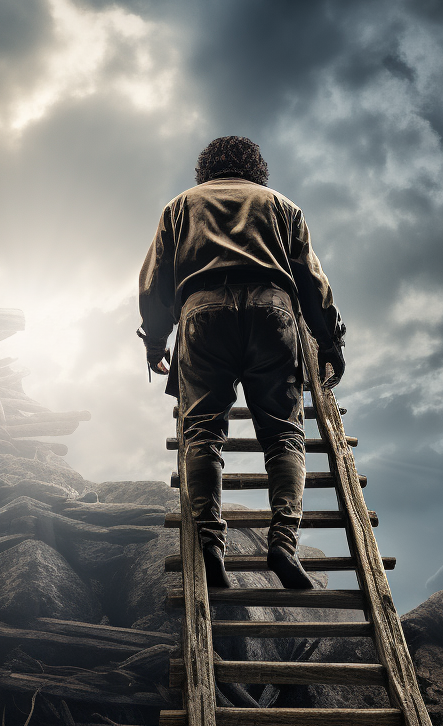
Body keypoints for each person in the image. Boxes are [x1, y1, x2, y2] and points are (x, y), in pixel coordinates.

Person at [138, 136, 345, 590]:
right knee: (284, 433)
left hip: (202, 311)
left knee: (203, 431)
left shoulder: (180, 207)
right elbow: (313, 282)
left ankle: (211, 543)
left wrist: (156, 343)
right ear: (258, 169)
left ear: (205, 169)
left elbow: (154, 283)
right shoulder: (283, 206)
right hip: (274, 311)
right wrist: (330, 342)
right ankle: (284, 543)